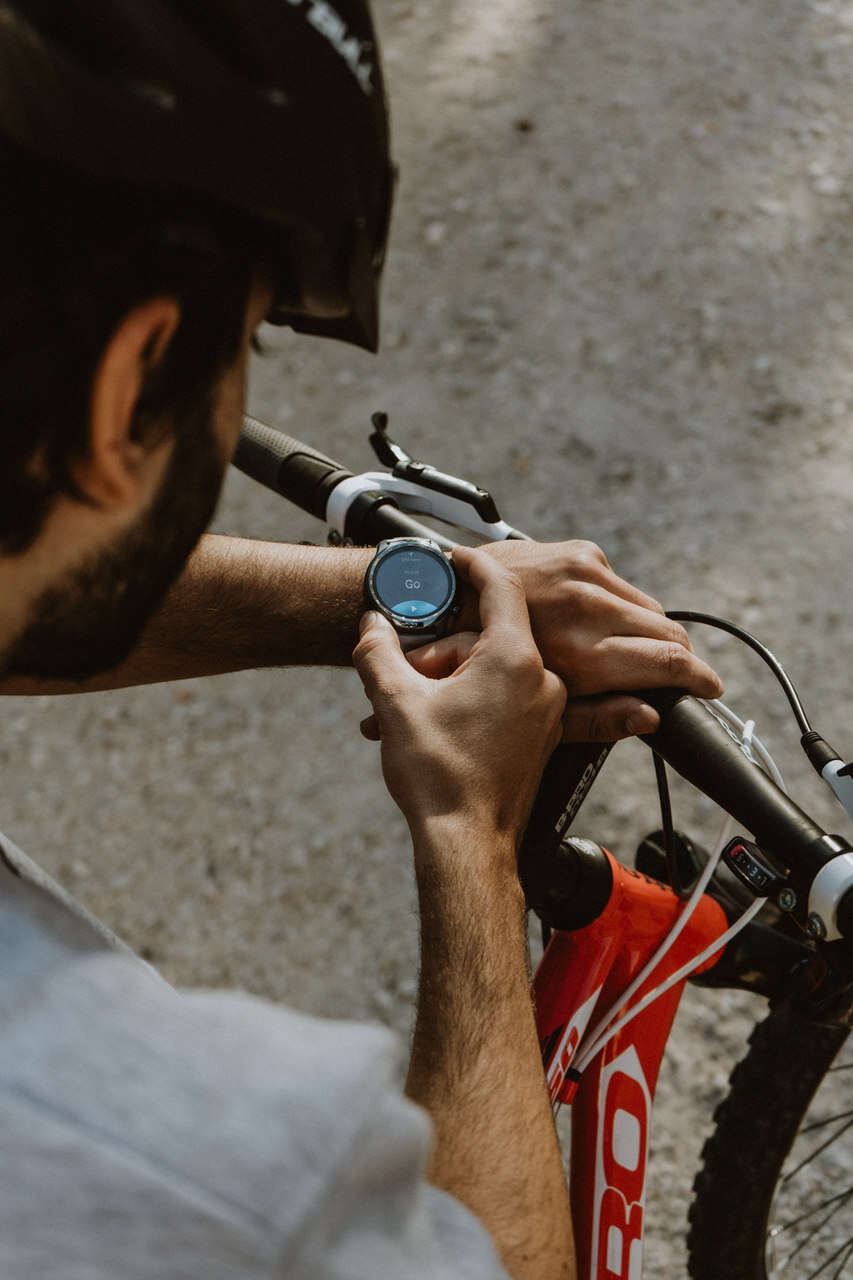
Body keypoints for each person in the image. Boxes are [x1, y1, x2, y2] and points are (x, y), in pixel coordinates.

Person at [0, 3, 723, 1277]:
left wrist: (383, 598)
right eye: (249, 343)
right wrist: (468, 835)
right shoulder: (200, 1166)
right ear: (132, 384)